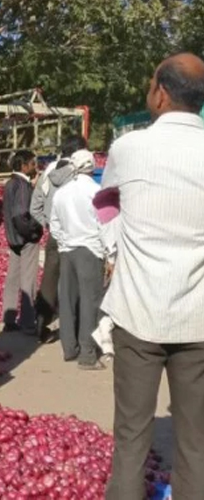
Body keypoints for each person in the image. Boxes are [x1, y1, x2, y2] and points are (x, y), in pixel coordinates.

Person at [104, 53, 204, 500]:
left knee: (130, 439)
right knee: (196, 442)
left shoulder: (130, 147)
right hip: (198, 320)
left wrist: (118, 245)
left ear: (160, 93)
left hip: (139, 314)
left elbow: (106, 206)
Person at [49, 149, 107, 370]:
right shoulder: (96, 191)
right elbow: (104, 224)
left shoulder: (61, 193)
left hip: (68, 251)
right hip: (90, 250)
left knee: (68, 299)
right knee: (90, 302)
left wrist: (65, 242)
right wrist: (109, 253)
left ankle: (69, 348)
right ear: (92, 166)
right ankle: (88, 354)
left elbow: (54, 225)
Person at [30, 135, 88, 343]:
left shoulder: (47, 172)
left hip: (55, 234)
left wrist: (48, 224)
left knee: (50, 278)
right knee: (74, 282)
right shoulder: (79, 173)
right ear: (79, 152)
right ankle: (72, 332)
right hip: (76, 234)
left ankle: (41, 323)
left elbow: (34, 206)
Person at [1, 150, 43, 335]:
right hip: (25, 239)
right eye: (33, 164)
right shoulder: (23, 186)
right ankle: (27, 322)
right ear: (24, 166)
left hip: (13, 239)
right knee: (28, 280)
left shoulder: (10, 183)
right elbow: (20, 215)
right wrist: (33, 232)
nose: (35, 167)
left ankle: (9, 319)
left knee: (12, 278)